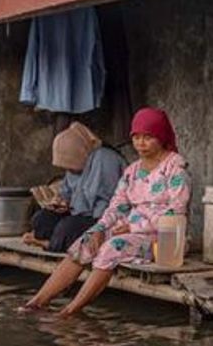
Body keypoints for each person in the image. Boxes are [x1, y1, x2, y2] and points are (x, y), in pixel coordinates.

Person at [21, 107, 191, 316]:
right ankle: (38, 301)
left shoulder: (175, 170)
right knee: (87, 241)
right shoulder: (133, 171)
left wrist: (133, 226)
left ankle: (69, 311)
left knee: (112, 246)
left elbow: (176, 212)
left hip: (163, 240)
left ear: (161, 137)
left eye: (148, 137)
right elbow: (116, 206)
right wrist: (100, 228)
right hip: (128, 232)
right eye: (136, 137)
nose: (141, 143)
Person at [22, 122, 125, 253]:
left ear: (80, 153)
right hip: (78, 214)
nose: (68, 170)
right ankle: (53, 240)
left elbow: (106, 202)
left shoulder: (105, 159)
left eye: (70, 166)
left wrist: (99, 226)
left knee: (67, 228)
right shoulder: (74, 167)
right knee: (41, 219)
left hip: (102, 218)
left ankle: (49, 244)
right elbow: (67, 191)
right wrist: (61, 202)